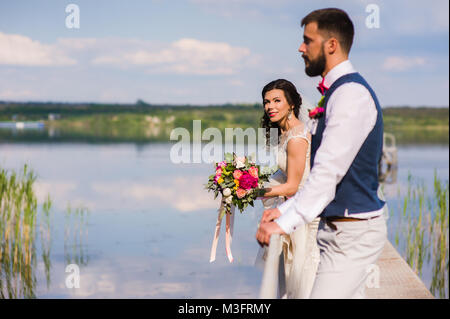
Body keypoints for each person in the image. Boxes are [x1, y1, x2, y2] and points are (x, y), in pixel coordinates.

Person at [255, 8, 387, 299]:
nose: (301, 48)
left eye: (307, 40)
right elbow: (315, 177)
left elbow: (327, 173)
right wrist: (282, 210)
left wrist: (283, 223)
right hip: (336, 229)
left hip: (353, 232)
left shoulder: (350, 95)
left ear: (331, 45)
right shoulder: (335, 93)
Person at [256, 79, 320, 299]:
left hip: (302, 213)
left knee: (301, 273)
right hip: (289, 208)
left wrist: (253, 192)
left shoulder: (296, 138)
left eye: (276, 100)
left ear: (291, 104)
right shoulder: (285, 133)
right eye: (266, 102)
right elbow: (284, 176)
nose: (270, 106)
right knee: (288, 273)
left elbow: (292, 186)